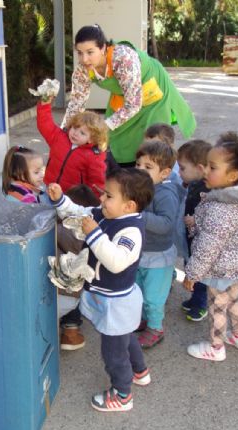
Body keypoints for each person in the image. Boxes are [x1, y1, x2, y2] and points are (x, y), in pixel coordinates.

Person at [47, 168, 154, 412]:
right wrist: (60, 200)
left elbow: (116, 261)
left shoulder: (131, 231)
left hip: (117, 302)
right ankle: (140, 371)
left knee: (114, 352)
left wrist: (94, 234)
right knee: (125, 338)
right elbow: (80, 212)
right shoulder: (107, 214)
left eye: (108, 196)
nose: (102, 199)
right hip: (111, 298)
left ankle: (123, 394)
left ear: (129, 206)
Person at [183, 132, 238, 361]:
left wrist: (192, 273)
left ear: (232, 175)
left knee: (217, 307)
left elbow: (208, 246)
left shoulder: (222, 208)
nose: (205, 171)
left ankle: (215, 347)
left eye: (212, 167)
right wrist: (199, 221)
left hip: (222, 266)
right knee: (233, 299)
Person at [63, 24, 196, 167]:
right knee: (116, 137)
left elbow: (133, 105)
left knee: (154, 141)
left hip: (152, 92)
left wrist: (101, 126)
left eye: (90, 52)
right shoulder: (82, 70)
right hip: (124, 96)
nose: (84, 59)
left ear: (102, 48)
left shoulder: (123, 59)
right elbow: (76, 104)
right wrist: (64, 131)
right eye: (80, 53)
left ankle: (162, 177)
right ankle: (126, 173)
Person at [133, 140, 179, 348]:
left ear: (165, 173)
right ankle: (144, 319)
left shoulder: (165, 194)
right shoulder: (141, 187)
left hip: (158, 256)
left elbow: (167, 224)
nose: (141, 170)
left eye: (148, 167)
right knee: (139, 290)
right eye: (138, 165)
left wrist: (139, 216)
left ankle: (155, 328)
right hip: (141, 251)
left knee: (153, 297)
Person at [57, 184, 101, 351]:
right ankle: (71, 333)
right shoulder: (97, 237)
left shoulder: (54, 230)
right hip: (78, 298)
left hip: (47, 298)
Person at [37, 97, 107, 197]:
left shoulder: (94, 156)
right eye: (75, 128)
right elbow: (45, 124)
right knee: (48, 210)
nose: (75, 134)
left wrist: (95, 201)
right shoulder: (59, 137)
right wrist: (44, 105)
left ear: (91, 139)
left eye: (82, 133)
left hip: (72, 197)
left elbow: (96, 182)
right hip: (50, 187)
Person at [176, 139, 212, 321]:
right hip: (191, 237)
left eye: (182, 168)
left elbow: (213, 219)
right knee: (189, 265)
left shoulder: (207, 190)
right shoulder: (194, 184)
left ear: (199, 168)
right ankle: (195, 299)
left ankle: (200, 303)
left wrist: (195, 220)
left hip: (201, 241)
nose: (179, 172)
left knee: (199, 272)